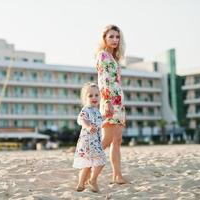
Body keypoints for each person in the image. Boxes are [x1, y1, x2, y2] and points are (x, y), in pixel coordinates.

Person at [95, 25, 127, 184]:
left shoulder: (114, 58)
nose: (115, 40)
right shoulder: (102, 55)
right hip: (109, 101)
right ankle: (88, 174)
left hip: (119, 102)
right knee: (106, 140)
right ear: (104, 39)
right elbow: (102, 80)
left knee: (117, 140)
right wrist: (106, 100)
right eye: (111, 36)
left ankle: (117, 176)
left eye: (117, 37)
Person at [73, 82, 106, 193]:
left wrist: (107, 116)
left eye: (96, 95)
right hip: (87, 141)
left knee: (94, 163)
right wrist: (87, 126)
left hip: (95, 142)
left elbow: (100, 122)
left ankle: (87, 182)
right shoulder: (86, 109)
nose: (94, 98)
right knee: (93, 163)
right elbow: (81, 119)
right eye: (90, 95)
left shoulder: (97, 111)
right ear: (85, 98)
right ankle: (85, 182)